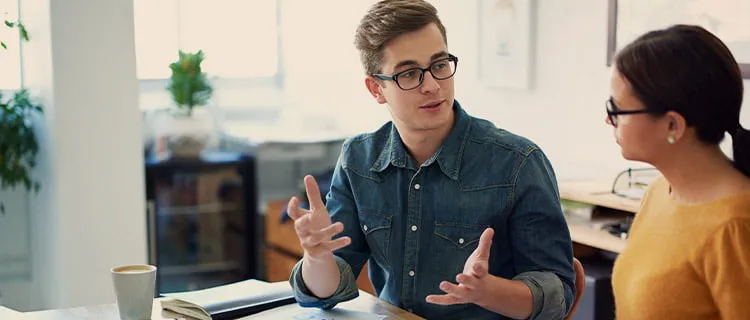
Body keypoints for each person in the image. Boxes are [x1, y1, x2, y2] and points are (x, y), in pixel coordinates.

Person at [286, 1, 575, 319]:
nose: (433, 86)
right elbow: (328, 293)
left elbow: (557, 294)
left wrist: (487, 291)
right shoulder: (358, 160)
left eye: (439, 65)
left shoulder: (519, 163)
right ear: (376, 89)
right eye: (409, 74)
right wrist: (316, 257)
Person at [606, 24, 750, 319]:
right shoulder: (659, 191)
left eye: (616, 109)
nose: (608, 121)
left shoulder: (735, 227)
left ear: (673, 125)